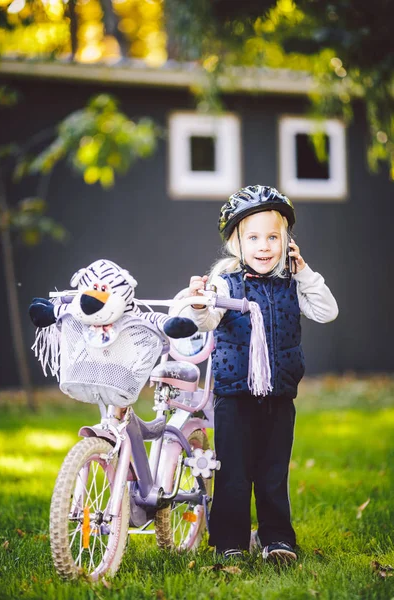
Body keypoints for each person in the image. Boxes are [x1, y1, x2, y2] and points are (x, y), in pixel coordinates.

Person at [182, 185, 338, 563]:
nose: (264, 246)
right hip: (235, 396)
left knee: (272, 475)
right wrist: (201, 303)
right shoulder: (226, 283)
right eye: (254, 237)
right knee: (234, 473)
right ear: (237, 243)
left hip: (280, 396)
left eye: (273, 237)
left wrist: (305, 273)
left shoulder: (292, 283)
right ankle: (229, 541)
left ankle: (277, 540)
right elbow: (206, 319)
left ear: (286, 241)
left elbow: (327, 311)